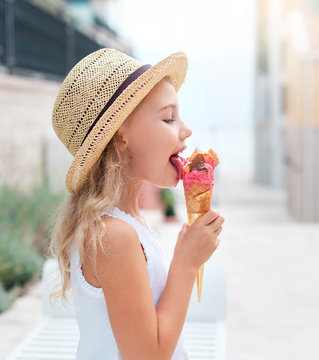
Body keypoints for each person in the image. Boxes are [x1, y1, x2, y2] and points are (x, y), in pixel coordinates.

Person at [49, 48, 224, 359]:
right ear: (120, 137)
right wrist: (186, 263)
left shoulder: (129, 223)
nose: (186, 129)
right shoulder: (113, 235)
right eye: (169, 118)